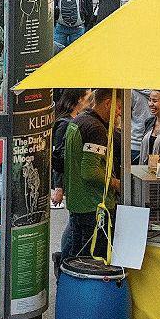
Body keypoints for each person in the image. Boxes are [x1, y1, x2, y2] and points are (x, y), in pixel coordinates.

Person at [63, 88, 119, 265]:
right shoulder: (96, 129)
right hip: (94, 206)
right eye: (118, 108)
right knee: (91, 262)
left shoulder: (78, 120)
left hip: (78, 204)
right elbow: (90, 172)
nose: (120, 113)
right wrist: (116, 183)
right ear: (108, 103)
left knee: (75, 256)